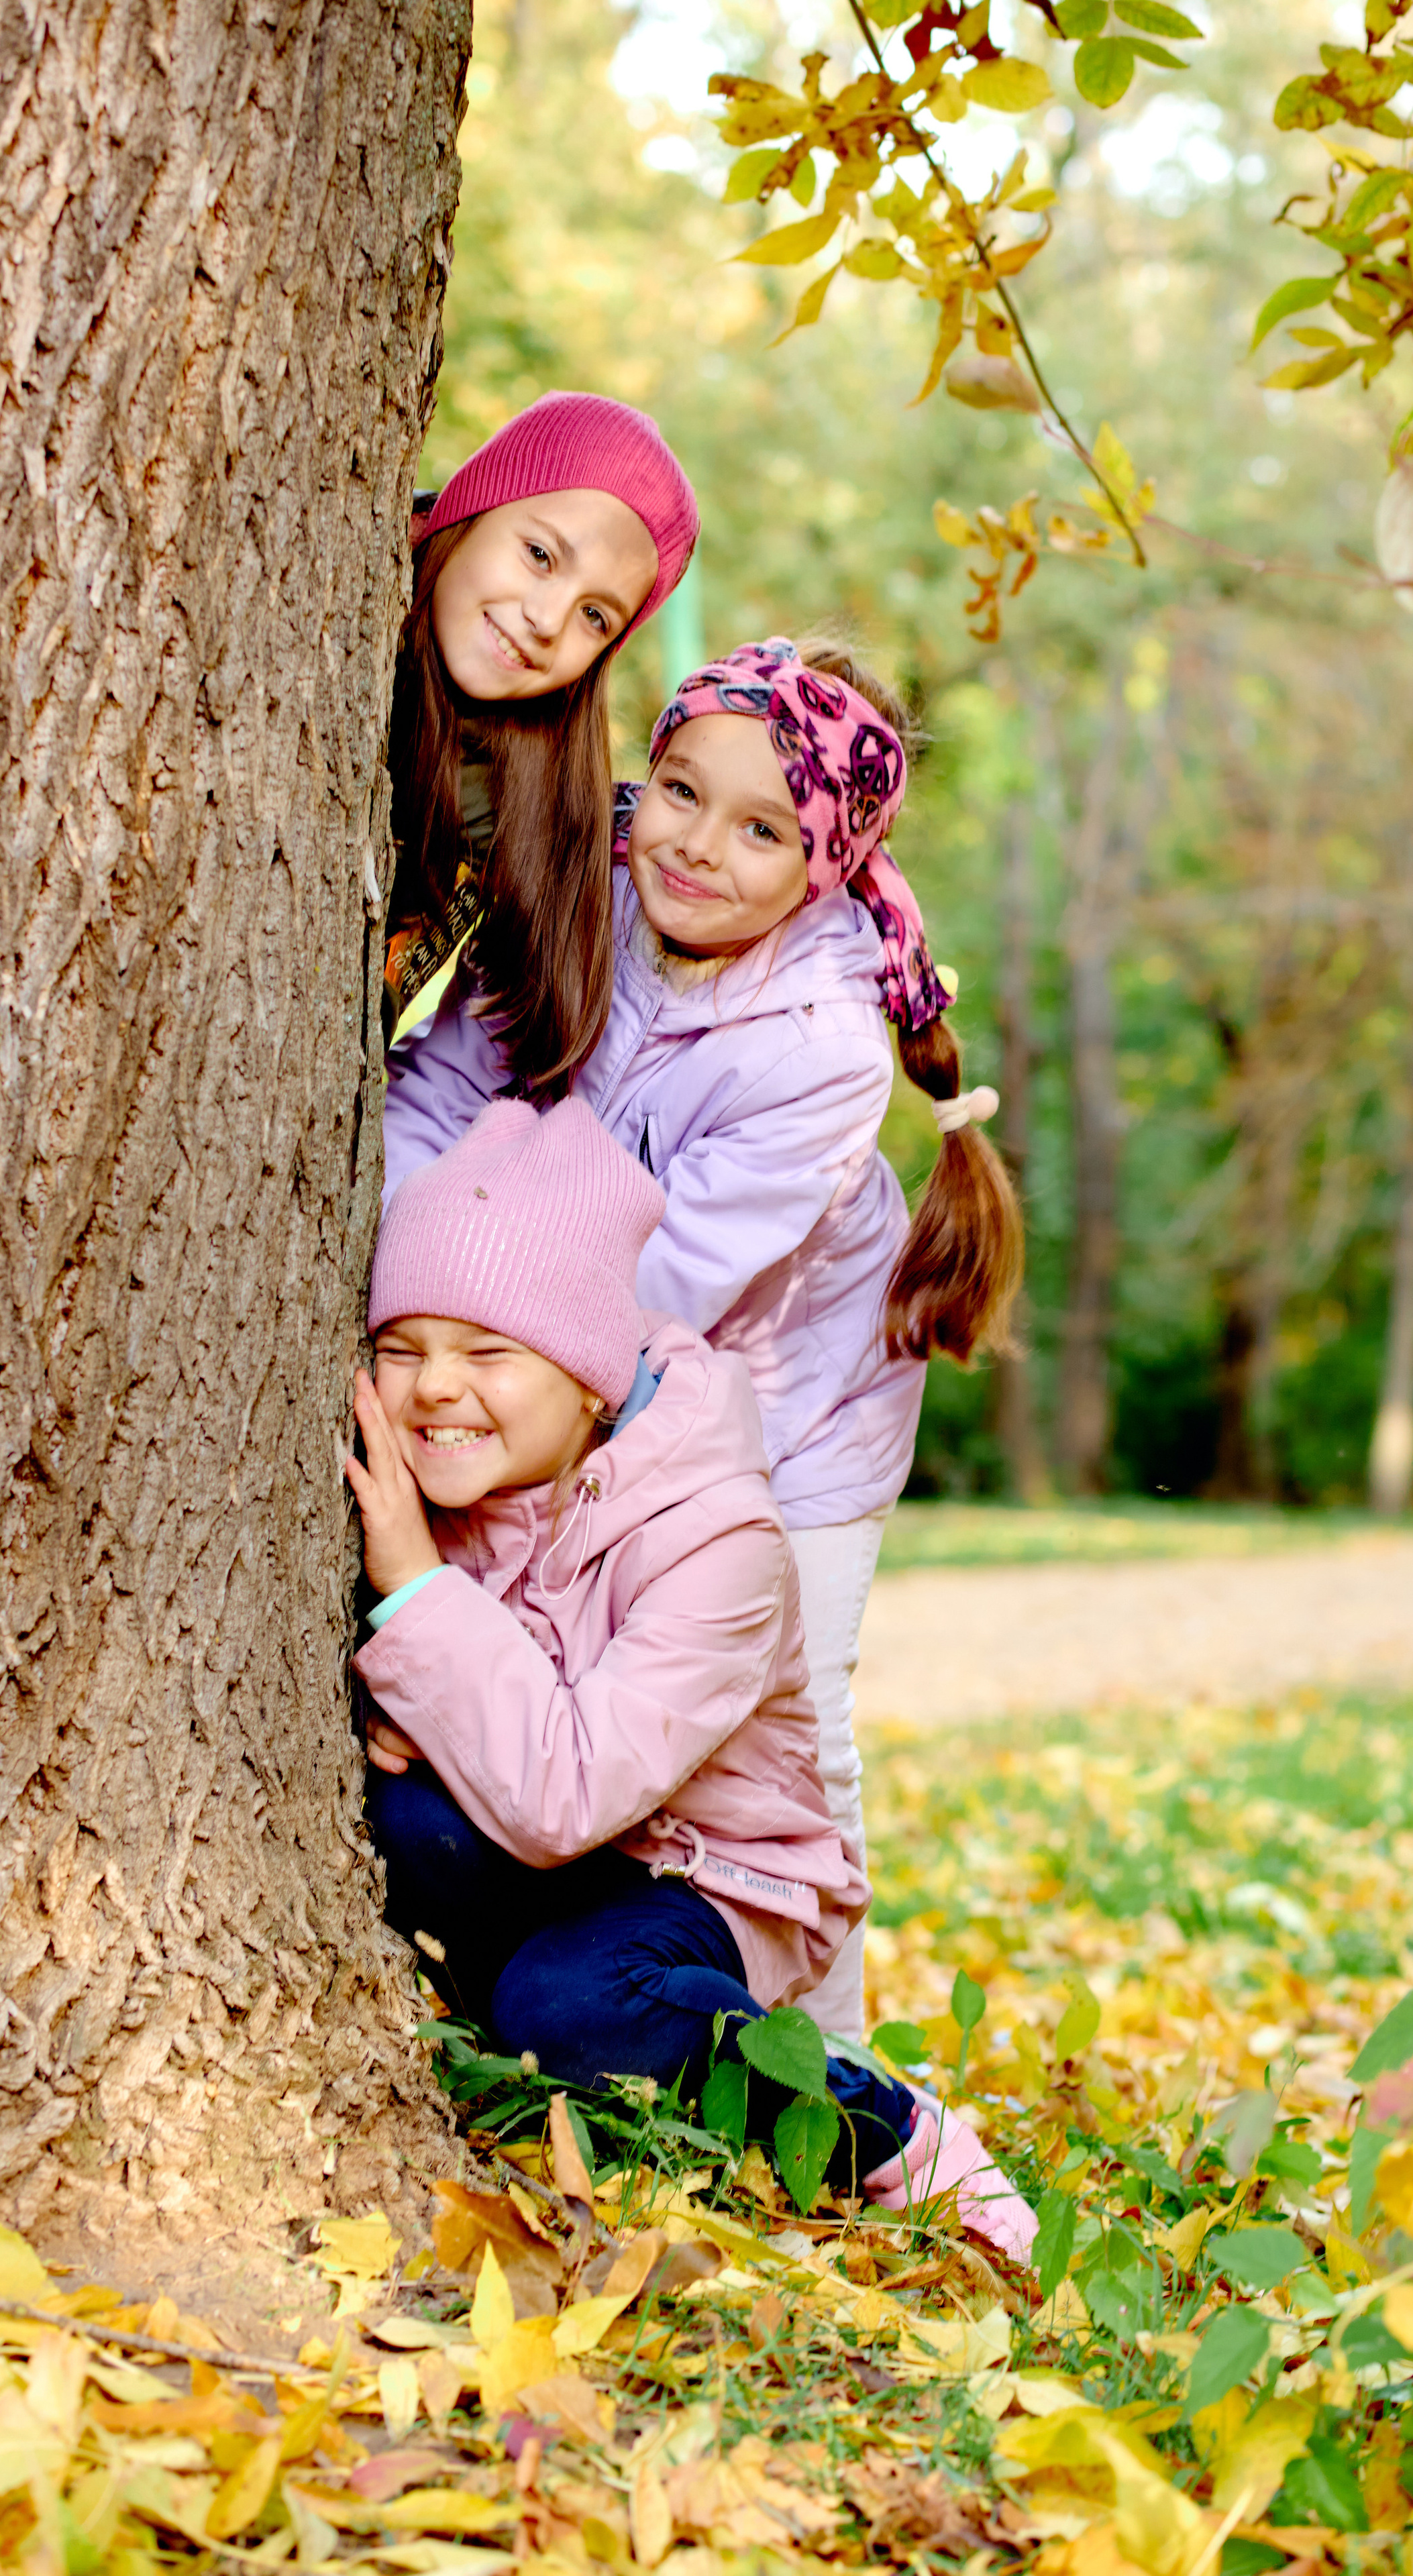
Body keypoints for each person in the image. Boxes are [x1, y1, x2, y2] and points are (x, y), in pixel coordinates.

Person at [381, 639, 1023, 2042]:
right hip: (583, 1374)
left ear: (824, 868)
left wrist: (469, 1308)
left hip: (789, 1414)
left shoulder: (821, 1050)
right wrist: (404, 1276)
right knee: (574, 1668)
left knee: (792, 1716)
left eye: (763, 830)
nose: (696, 848)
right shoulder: (579, 890)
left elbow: (667, 1279)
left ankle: (820, 2036)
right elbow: (436, 1097)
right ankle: (604, 1955)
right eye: (678, 791)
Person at [345, 1096, 1035, 2260]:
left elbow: (565, 1791)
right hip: (559, 1849)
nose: (433, 1391)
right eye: (401, 1348)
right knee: (408, 1820)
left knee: (573, 2008)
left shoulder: (721, 1539)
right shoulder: (459, 1476)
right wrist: (393, 1695)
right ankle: (539, 2051)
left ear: (589, 1379)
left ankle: (886, 2130)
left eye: (487, 1352)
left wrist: (417, 1596)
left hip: (705, 1874)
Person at [386, 391, 699, 1091]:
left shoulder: (522, 812)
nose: (547, 620)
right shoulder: (324, 607)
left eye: (595, 615)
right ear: (472, 508)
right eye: (539, 555)